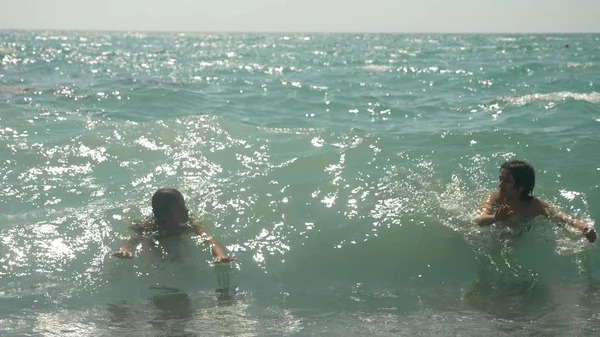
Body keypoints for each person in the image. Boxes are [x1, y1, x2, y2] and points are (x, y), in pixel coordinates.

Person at [476, 160, 597, 243]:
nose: (500, 184)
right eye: (500, 179)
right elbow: (480, 220)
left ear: (523, 186)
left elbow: (564, 219)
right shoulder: (493, 197)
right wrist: (495, 218)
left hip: (520, 240)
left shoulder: (535, 205)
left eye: (506, 181)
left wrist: (584, 229)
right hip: (492, 238)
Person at [112, 188, 235, 262]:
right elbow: (130, 238)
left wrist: (220, 254)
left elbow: (210, 240)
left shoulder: (190, 224)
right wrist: (125, 250)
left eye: (184, 206)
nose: (186, 211)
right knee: (158, 257)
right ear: (166, 215)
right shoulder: (152, 229)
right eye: (180, 209)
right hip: (159, 233)